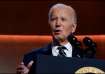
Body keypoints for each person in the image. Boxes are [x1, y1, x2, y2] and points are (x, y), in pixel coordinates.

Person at [17, 3, 83, 74]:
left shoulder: (85, 57)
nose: (57, 24)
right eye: (53, 19)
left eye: (63, 19)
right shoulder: (32, 57)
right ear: (49, 24)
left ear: (73, 27)